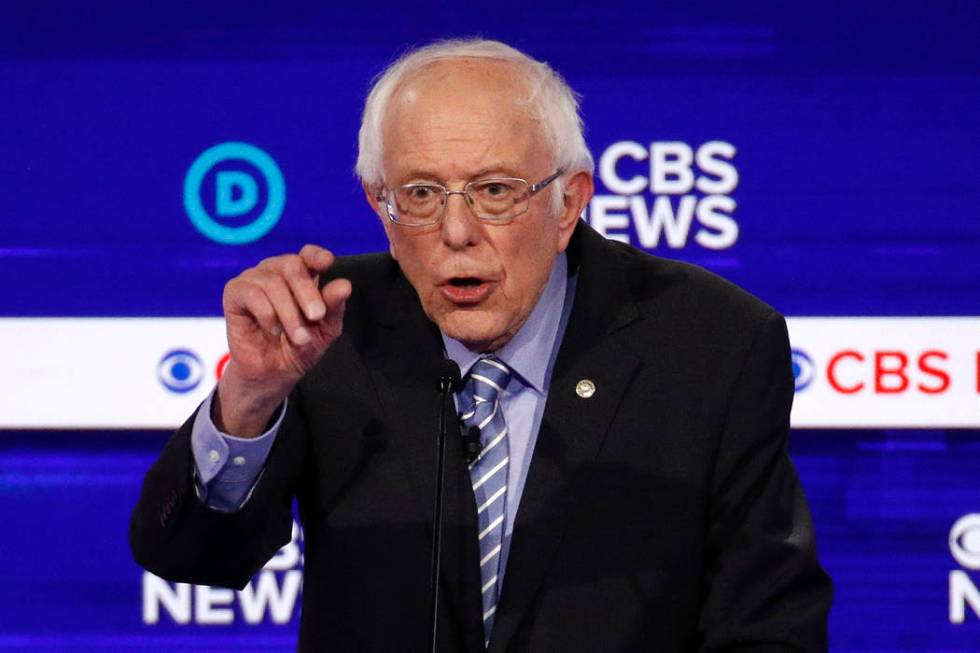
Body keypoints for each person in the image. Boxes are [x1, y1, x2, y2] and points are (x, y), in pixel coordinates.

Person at [131, 38, 832, 651]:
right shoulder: (327, 327)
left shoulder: (712, 345)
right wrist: (251, 399)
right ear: (381, 204)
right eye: (422, 193)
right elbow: (192, 558)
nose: (457, 231)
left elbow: (769, 626)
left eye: (494, 191)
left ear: (570, 202)